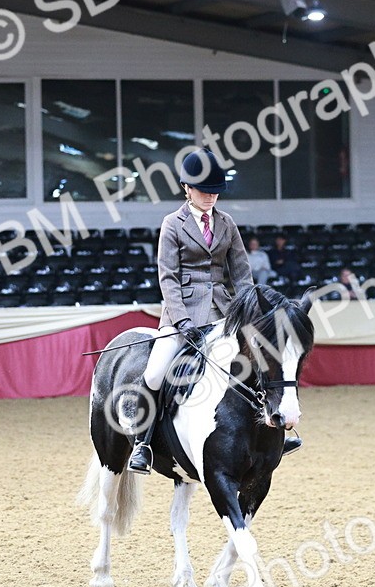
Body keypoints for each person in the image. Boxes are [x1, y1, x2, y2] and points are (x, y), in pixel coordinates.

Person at [128, 149, 299, 474]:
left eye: (214, 191)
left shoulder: (227, 223)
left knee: (261, 363)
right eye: (204, 190)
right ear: (187, 188)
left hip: (224, 314)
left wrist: (253, 314)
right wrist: (182, 321)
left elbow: (242, 275)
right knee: (154, 372)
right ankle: (143, 443)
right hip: (183, 316)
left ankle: (275, 431)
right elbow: (168, 277)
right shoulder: (172, 224)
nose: (210, 196)